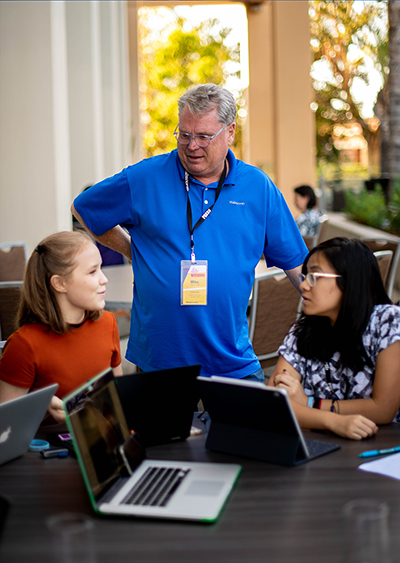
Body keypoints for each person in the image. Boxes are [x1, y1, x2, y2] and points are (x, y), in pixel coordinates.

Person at [72, 83, 308, 382]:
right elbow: (84, 208)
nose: (192, 145)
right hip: (161, 362)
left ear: (230, 132)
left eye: (204, 136)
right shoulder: (145, 177)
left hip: (233, 361)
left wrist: (340, 313)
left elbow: (296, 265)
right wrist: (131, 249)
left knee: (251, 429)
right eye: (184, 135)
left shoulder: (258, 188)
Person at [269, 237, 400, 440]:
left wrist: (309, 404)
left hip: (381, 447)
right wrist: (333, 421)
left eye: (314, 276)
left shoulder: (387, 321)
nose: (303, 286)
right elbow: (274, 402)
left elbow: (383, 409)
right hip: (319, 445)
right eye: (305, 277)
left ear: (348, 281)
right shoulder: (303, 330)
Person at [0, 230, 123, 425]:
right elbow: (6, 427)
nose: (103, 279)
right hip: (47, 449)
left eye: (101, 268)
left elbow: (118, 396)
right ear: (59, 283)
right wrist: (40, 405)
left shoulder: (108, 323)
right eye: (92, 271)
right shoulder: (23, 345)